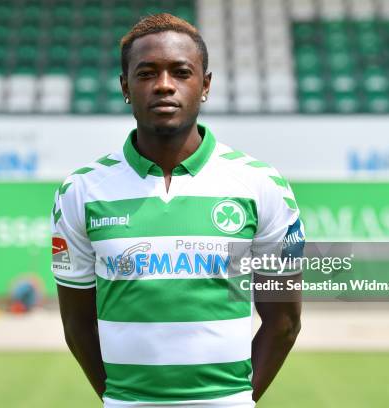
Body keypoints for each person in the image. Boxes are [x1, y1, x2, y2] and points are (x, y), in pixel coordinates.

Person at [51, 13, 304, 408]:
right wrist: (121, 400)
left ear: (205, 86)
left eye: (180, 72)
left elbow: (284, 322)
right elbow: (77, 326)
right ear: (125, 87)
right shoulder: (80, 190)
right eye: (147, 73)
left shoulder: (262, 184)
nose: (164, 85)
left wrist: (238, 400)